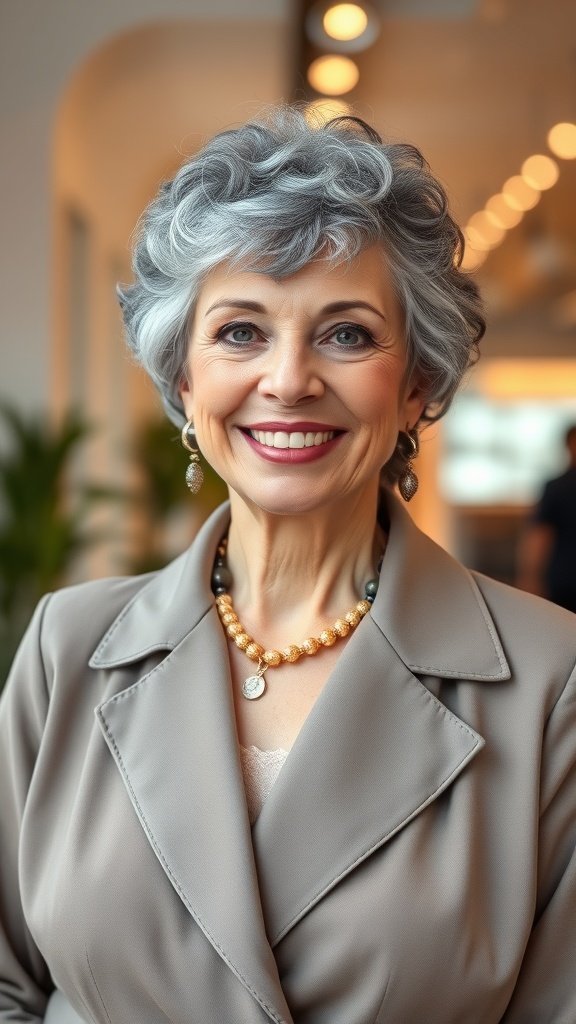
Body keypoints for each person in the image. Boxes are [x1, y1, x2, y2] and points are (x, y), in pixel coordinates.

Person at [1, 108, 575, 1024]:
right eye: (239, 332)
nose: (289, 378)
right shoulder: (65, 647)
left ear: (417, 381)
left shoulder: (551, 678)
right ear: (183, 379)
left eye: (346, 334)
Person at [516, 422, 576, 612]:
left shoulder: (557, 486)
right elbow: (540, 536)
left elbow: (539, 536)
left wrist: (530, 577)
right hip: (564, 580)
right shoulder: (558, 487)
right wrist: (531, 577)